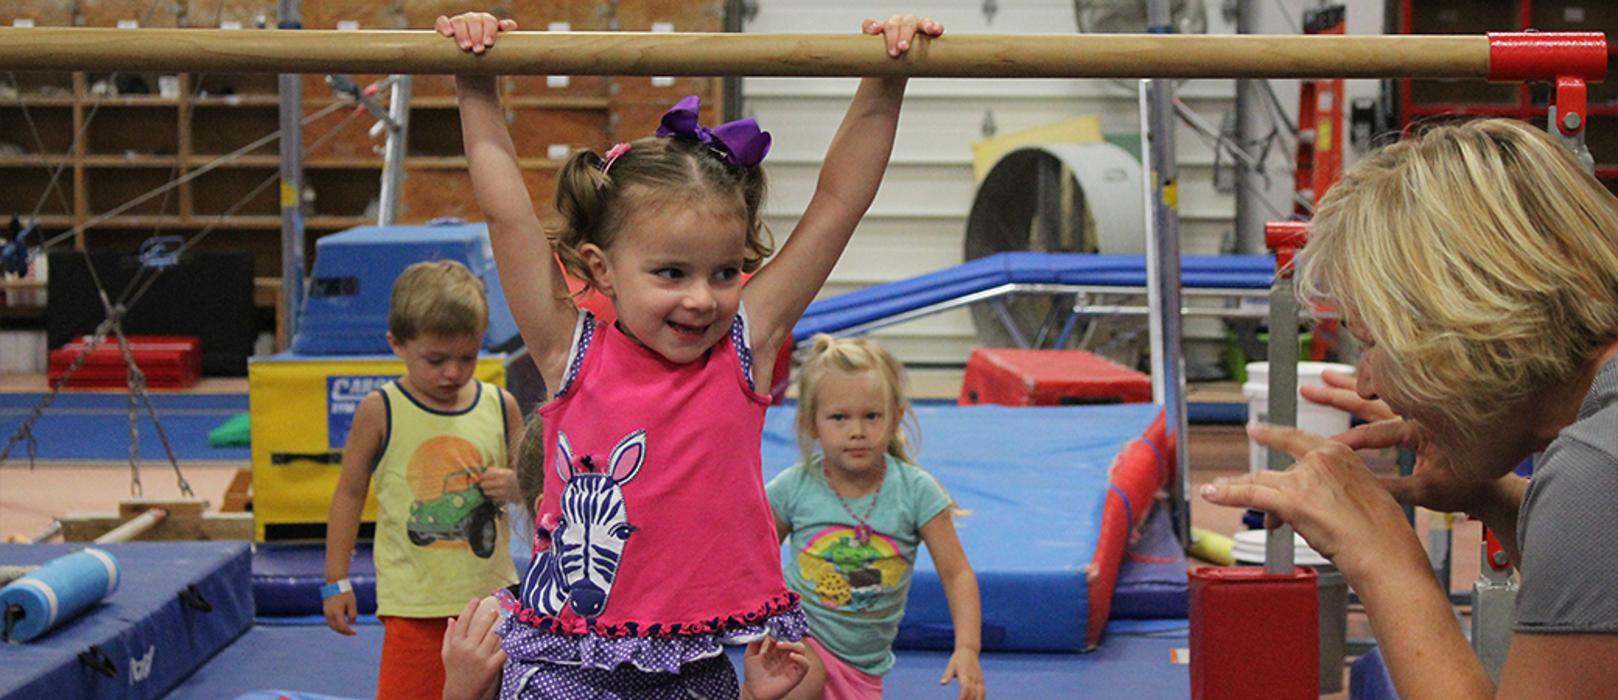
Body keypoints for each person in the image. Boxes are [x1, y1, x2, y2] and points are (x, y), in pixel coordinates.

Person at [437, 10, 944, 697]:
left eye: (725, 273)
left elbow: (837, 203)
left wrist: (885, 82)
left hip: (695, 660)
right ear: (603, 269)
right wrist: (476, 83)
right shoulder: (570, 348)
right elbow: (507, 215)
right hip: (565, 659)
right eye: (671, 273)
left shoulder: (744, 345)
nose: (702, 299)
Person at [1201, 118, 1618, 697]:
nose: (1368, 385)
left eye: (1372, 342)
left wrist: (1381, 558)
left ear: (1463, 320)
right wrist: (1492, 498)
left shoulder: (1595, 473)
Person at [323, 259, 525, 698]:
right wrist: (335, 580)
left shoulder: (499, 405)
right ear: (397, 344)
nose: (452, 372)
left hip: (490, 602)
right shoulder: (381, 409)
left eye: (467, 357)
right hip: (414, 608)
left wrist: (518, 487)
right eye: (436, 359)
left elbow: (544, 491)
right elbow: (349, 493)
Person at [767, 334, 985, 700]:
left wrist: (968, 648)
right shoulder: (796, 487)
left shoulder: (916, 491)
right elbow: (753, 554)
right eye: (839, 417)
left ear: (895, 417)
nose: (857, 431)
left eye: (871, 416)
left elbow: (957, 573)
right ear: (811, 424)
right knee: (803, 676)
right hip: (800, 636)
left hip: (863, 664)